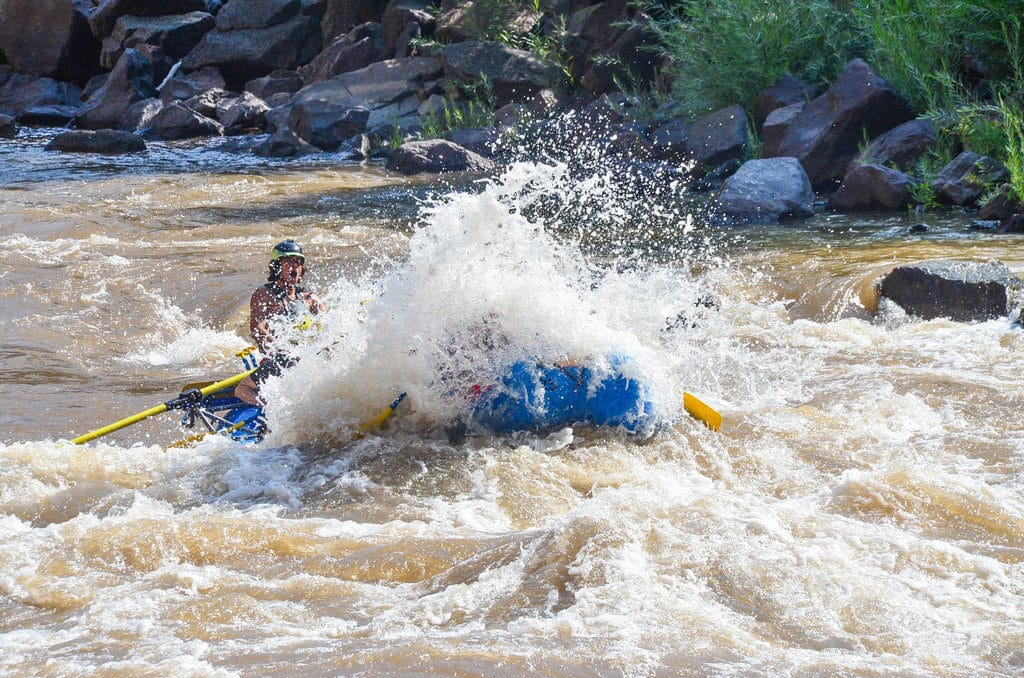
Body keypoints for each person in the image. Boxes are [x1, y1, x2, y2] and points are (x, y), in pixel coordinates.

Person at [235, 240, 325, 405]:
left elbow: (328, 324)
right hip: (279, 357)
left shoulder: (310, 298)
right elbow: (258, 329)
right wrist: (277, 346)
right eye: (289, 261)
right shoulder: (264, 294)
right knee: (241, 389)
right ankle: (269, 405)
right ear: (277, 266)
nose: (295, 266)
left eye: (298, 262)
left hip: (306, 356)